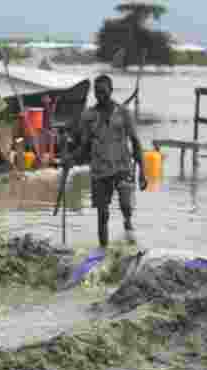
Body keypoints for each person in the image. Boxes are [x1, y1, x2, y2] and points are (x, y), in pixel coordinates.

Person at [74, 74, 148, 248]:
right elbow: (83, 145)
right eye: (97, 92)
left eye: (103, 92)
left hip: (122, 166)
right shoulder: (89, 116)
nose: (100, 96)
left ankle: (128, 226)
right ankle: (103, 250)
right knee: (102, 214)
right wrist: (71, 158)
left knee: (125, 205)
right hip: (100, 169)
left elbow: (136, 142)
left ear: (111, 91)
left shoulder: (123, 113)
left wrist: (142, 172)